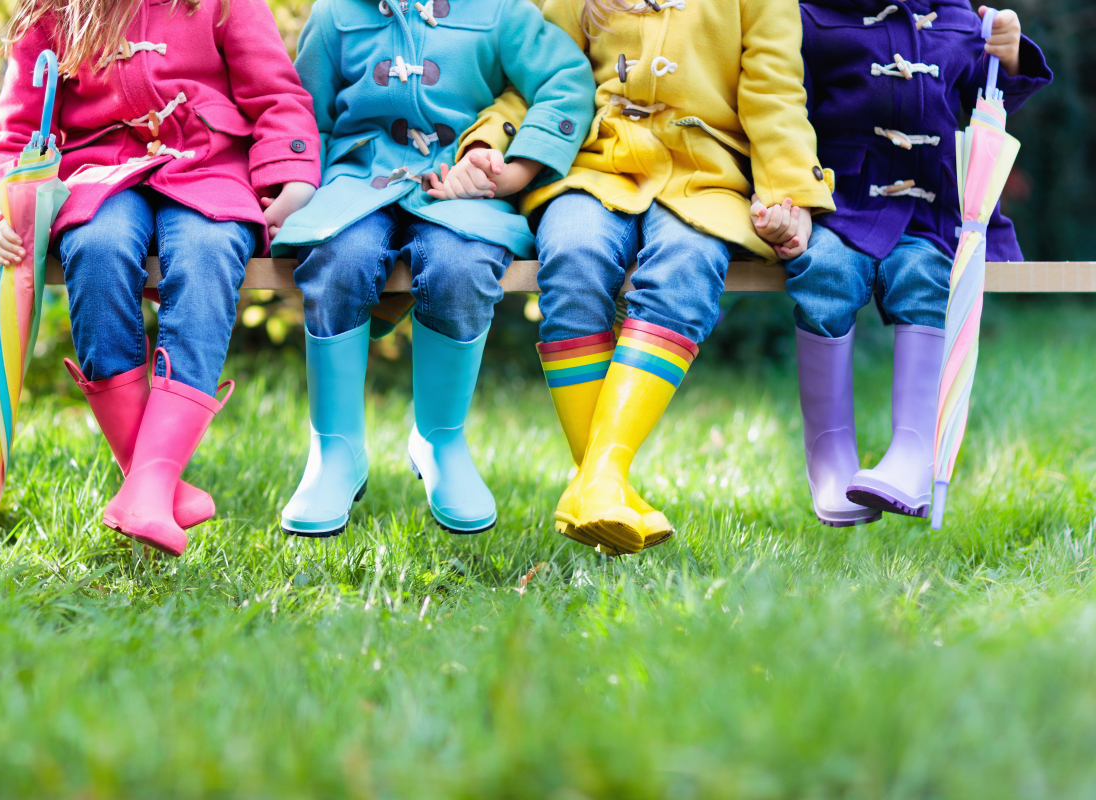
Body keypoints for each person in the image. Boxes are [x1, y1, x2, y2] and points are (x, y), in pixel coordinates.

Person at [465, 0, 836, 554]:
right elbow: (535, 77)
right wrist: (489, 141)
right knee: (572, 255)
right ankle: (603, 484)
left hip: (703, 176)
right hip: (593, 165)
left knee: (687, 268)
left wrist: (790, 196)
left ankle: (597, 478)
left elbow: (775, 96)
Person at [0, 0, 321, 556]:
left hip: (208, 163)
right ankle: (153, 482)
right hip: (100, 170)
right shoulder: (54, 11)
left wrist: (291, 176)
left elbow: (275, 94)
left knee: (208, 249)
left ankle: (147, 484)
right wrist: (5, 207)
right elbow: (18, 126)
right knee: (96, 246)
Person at [270, 0, 595, 538]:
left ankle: (440, 438)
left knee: (459, 265)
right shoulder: (336, 15)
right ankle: (335, 449)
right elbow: (304, 111)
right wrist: (299, 182)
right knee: (338, 259)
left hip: (459, 192)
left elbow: (565, 79)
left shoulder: (500, 12)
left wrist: (514, 171)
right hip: (355, 184)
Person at [787, 0, 1051, 525]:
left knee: (926, 277)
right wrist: (789, 196)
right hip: (845, 204)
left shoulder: (956, 18)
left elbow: (989, 90)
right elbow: (786, 113)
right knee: (826, 272)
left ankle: (913, 453)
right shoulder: (813, 17)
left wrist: (1010, 53)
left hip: (930, 208)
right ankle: (831, 456)